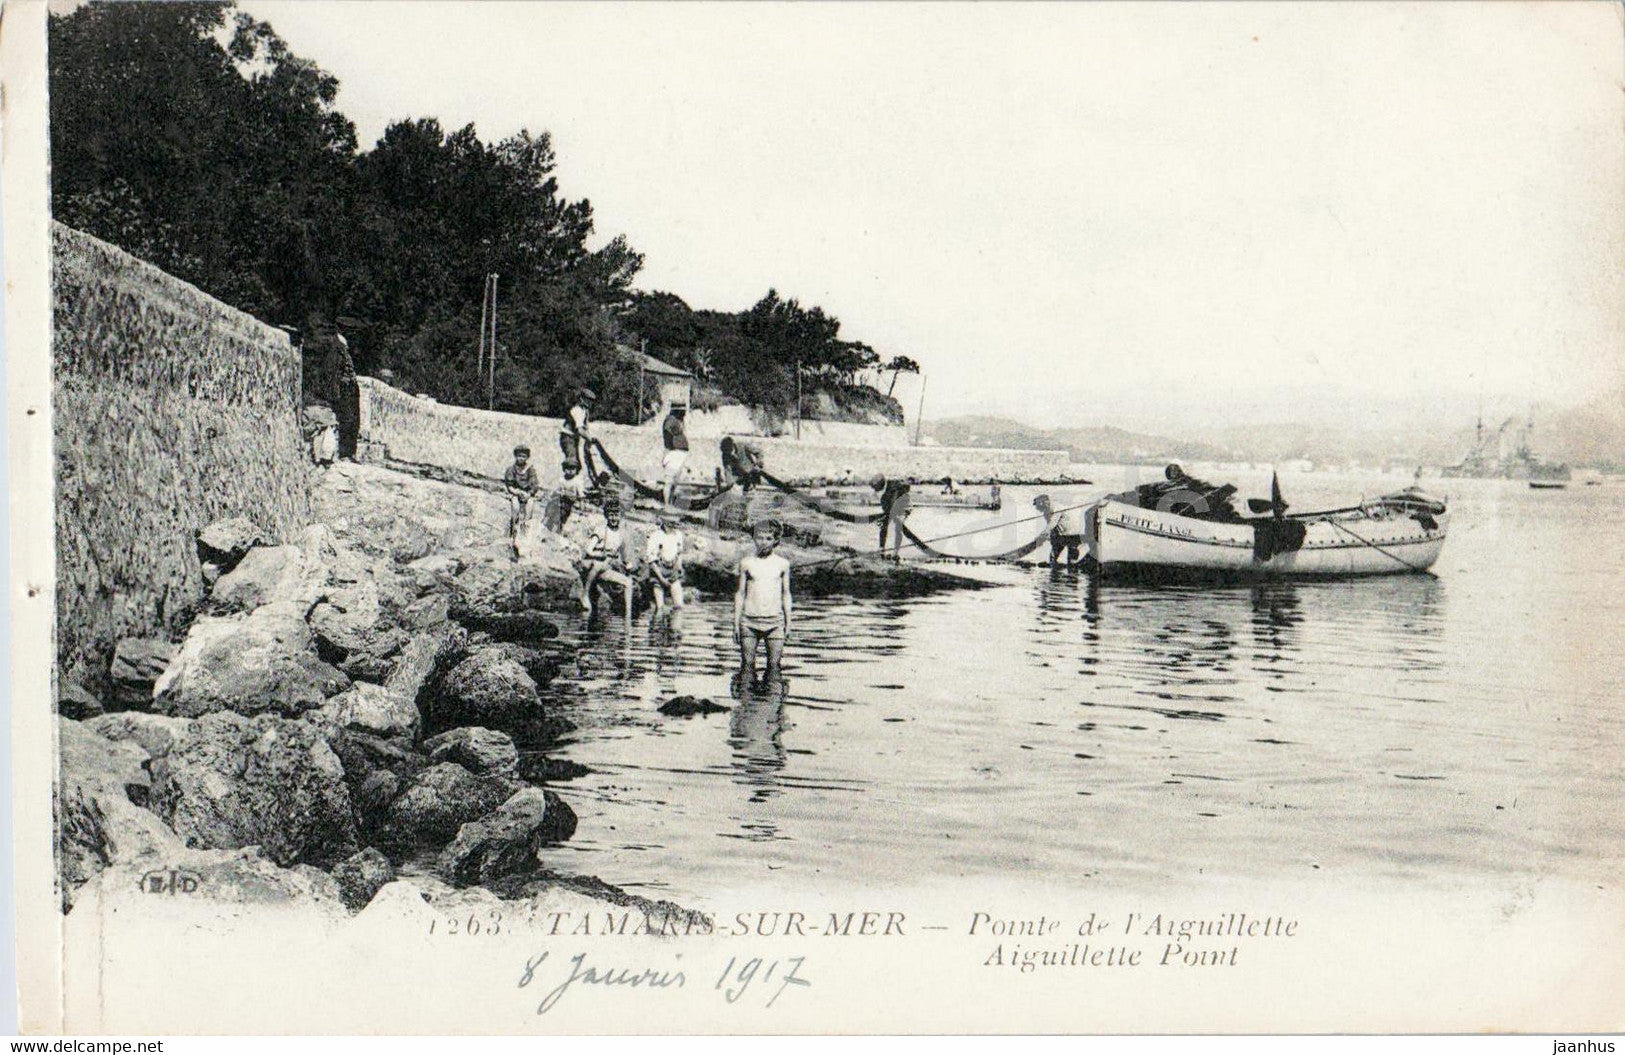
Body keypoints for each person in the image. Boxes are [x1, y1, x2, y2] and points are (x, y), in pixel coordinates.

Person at [734, 520, 792, 689]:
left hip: (775, 622)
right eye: (759, 537)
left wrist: (789, 623)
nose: (763, 542)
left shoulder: (783, 564)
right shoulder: (746, 563)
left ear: (776, 540)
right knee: (747, 666)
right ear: (753, 538)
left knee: (774, 668)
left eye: (768, 538)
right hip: (749, 622)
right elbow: (740, 593)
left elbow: (786, 594)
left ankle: (774, 709)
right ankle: (747, 708)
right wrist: (735, 623)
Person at [578, 500, 635, 619]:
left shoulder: (622, 534)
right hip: (591, 563)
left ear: (621, 516)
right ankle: (585, 594)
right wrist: (600, 555)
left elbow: (626, 556)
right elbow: (588, 549)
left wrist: (628, 564)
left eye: (617, 515)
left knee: (628, 582)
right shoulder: (601, 530)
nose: (614, 518)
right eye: (611, 515)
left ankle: (628, 612)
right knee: (600, 564)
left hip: (605, 569)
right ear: (607, 516)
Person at [642, 510, 687, 613]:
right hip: (658, 572)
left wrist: (678, 567)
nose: (673, 524)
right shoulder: (655, 536)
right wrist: (661, 579)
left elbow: (679, 553)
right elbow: (651, 561)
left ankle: (674, 626)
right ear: (663, 521)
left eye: (674, 521)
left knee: (679, 607)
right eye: (670, 521)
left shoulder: (678, 534)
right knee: (660, 608)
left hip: (672, 571)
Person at [502, 445, 541, 560]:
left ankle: (525, 529)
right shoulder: (512, 469)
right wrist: (517, 492)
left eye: (523, 456)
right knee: (515, 507)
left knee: (530, 505)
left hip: (527, 494)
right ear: (515, 456)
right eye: (519, 456)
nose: (521, 458)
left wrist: (529, 493)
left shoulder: (530, 470)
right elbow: (509, 485)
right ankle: (514, 528)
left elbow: (534, 485)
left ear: (527, 457)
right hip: (516, 493)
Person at [1032, 493, 1084, 566]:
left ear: (1044, 503)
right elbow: (1052, 527)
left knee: (1071, 558)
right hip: (1060, 535)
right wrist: (1047, 537)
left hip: (1072, 534)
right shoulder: (1046, 512)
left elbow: (1052, 524)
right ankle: (1054, 572)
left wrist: (1042, 535)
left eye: (1037, 505)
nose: (1036, 508)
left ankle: (1072, 572)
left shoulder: (1056, 508)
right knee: (1053, 557)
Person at [871, 475, 912, 560]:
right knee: (884, 524)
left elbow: (906, 489)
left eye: (876, 488)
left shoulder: (895, 486)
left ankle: (895, 552)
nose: (875, 490)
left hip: (904, 506)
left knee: (898, 527)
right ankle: (881, 548)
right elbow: (885, 505)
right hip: (892, 506)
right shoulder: (883, 494)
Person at [559, 388, 595, 476]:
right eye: (588, 400)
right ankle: (569, 483)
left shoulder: (585, 411)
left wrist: (589, 439)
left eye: (591, 401)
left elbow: (585, 427)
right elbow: (580, 430)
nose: (590, 403)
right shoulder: (577, 410)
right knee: (572, 462)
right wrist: (589, 438)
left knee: (577, 464)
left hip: (574, 438)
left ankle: (577, 483)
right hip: (567, 437)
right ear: (581, 399)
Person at [546, 460, 587, 532]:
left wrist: (581, 509)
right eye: (568, 468)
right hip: (559, 500)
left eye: (573, 469)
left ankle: (556, 529)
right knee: (550, 508)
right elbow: (556, 490)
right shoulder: (562, 479)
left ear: (576, 470)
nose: (570, 471)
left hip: (569, 502)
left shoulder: (577, 481)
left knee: (560, 514)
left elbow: (581, 497)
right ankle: (546, 525)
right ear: (564, 469)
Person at [661, 403, 690, 507]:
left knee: (673, 482)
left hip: (678, 452)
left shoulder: (676, 421)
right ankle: (667, 505)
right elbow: (668, 433)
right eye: (683, 410)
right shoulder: (671, 420)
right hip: (674, 452)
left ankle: (669, 503)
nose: (685, 412)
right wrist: (669, 450)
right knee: (669, 482)